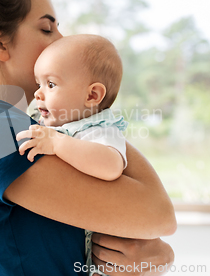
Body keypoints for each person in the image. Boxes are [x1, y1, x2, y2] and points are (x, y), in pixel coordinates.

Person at [0, 0, 176, 276]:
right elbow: (157, 214)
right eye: (47, 29)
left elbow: (154, 219)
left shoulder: (39, 126)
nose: (61, 41)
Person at [16, 34, 130, 275]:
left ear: (92, 96)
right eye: (38, 83)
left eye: (51, 84)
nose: (38, 93)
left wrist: (58, 143)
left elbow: (111, 165)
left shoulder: (100, 129)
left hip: (105, 257)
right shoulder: (54, 126)